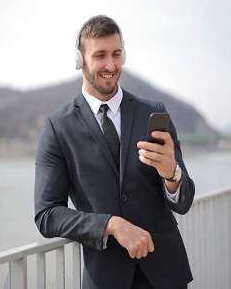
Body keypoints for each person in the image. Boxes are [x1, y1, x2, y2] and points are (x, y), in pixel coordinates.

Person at [34, 15, 195, 289]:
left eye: (116, 54)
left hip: (166, 273)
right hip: (106, 278)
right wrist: (110, 225)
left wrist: (172, 174)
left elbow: (184, 201)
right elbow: (47, 214)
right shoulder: (57, 128)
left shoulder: (153, 112)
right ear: (79, 59)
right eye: (100, 55)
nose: (111, 65)